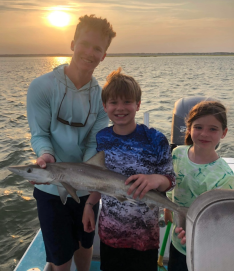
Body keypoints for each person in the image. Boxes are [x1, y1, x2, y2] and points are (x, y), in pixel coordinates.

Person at [27, 14, 116, 271]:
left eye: (97, 48)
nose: (89, 52)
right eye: (85, 44)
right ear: (72, 43)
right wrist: (45, 154)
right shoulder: (42, 87)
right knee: (60, 256)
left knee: (85, 244)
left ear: (104, 55)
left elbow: (94, 142)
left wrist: (88, 190)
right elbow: (40, 133)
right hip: (50, 188)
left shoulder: (102, 98)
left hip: (87, 186)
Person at [82, 68, 176, 271]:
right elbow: (99, 180)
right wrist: (89, 205)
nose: (120, 108)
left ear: (138, 104)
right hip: (110, 234)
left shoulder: (155, 139)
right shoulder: (102, 139)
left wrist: (155, 180)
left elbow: (170, 179)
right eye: (114, 102)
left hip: (145, 237)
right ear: (104, 106)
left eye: (127, 102)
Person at [164, 100, 234, 271]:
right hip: (177, 243)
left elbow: (222, 223)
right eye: (198, 127)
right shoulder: (177, 154)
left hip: (205, 252)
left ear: (223, 133)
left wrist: (198, 237)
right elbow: (173, 187)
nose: (204, 134)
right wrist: (167, 208)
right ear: (188, 129)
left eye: (213, 129)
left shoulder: (225, 177)